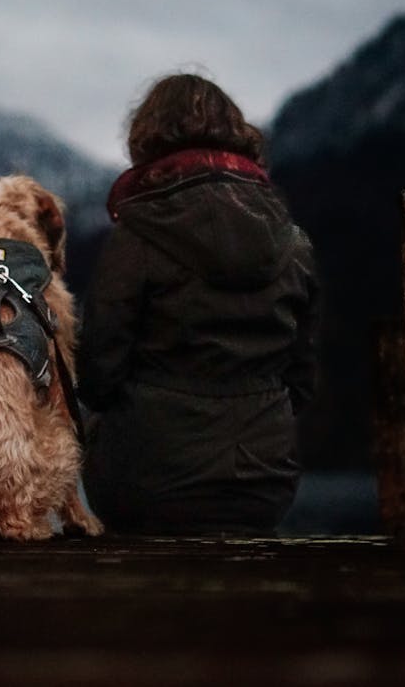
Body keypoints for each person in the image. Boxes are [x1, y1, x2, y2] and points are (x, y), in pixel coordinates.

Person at [78, 72, 321, 535]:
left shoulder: (136, 237)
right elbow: (302, 382)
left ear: (148, 140)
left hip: (146, 491)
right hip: (264, 491)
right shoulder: (295, 245)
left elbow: (97, 376)